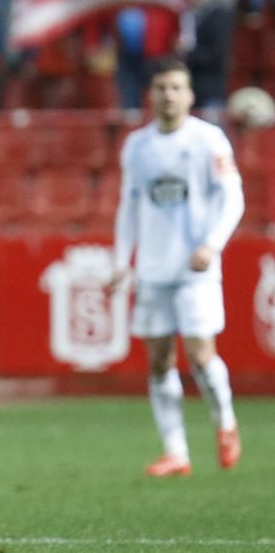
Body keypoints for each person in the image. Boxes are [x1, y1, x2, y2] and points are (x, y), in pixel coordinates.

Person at [109, 58, 244, 477]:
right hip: (152, 267)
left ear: (189, 95)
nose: (168, 94)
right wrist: (121, 261)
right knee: (159, 361)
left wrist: (212, 245)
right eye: (161, 87)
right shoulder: (137, 145)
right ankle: (176, 452)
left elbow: (233, 198)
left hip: (196, 268)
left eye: (176, 87)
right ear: (151, 94)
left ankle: (225, 423)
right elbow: (129, 206)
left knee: (202, 356)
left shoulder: (209, 140)